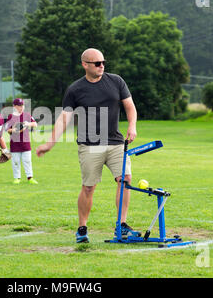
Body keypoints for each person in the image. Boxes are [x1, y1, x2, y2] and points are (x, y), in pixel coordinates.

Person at [36, 48, 138, 243]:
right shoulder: (75, 89)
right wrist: (49, 144)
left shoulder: (116, 81)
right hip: (90, 145)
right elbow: (63, 119)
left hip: (116, 142)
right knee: (89, 187)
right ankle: (82, 228)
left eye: (103, 62)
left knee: (125, 179)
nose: (102, 66)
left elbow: (130, 106)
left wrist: (132, 126)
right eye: (97, 63)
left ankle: (121, 225)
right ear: (85, 65)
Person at [5, 98, 38, 185]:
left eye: (22, 105)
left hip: (25, 143)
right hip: (15, 144)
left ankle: (30, 177)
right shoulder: (10, 116)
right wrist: (15, 130)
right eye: (19, 106)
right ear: (14, 106)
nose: (21, 107)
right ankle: (17, 178)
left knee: (27, 161)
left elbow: (35, 124)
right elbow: (7, 130)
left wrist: (27, 124)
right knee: (16, 162)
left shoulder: (27, 115)